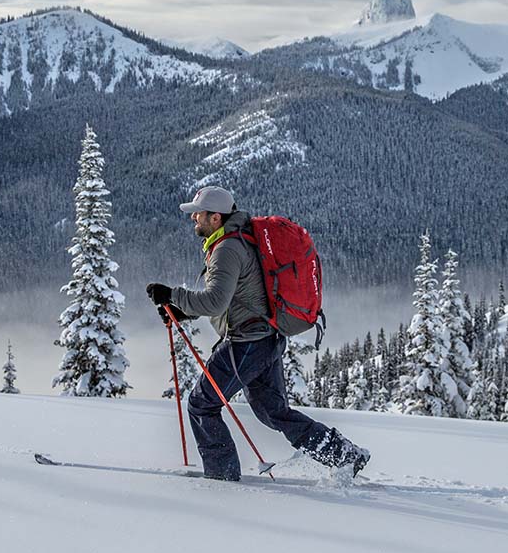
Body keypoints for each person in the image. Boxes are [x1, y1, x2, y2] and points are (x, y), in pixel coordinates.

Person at [146, 185, 370, 482]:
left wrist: (172, 294)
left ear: (216, 218)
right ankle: (343, 455)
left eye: (198, 214)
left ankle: (222, 479)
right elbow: (242, 297)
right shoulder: (241, 239)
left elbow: (215, 301)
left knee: (202, 404)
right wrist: (185, 311)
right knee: (273, 412)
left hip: (247, 343)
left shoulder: (227, 249)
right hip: (267, 338)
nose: (193, 219)